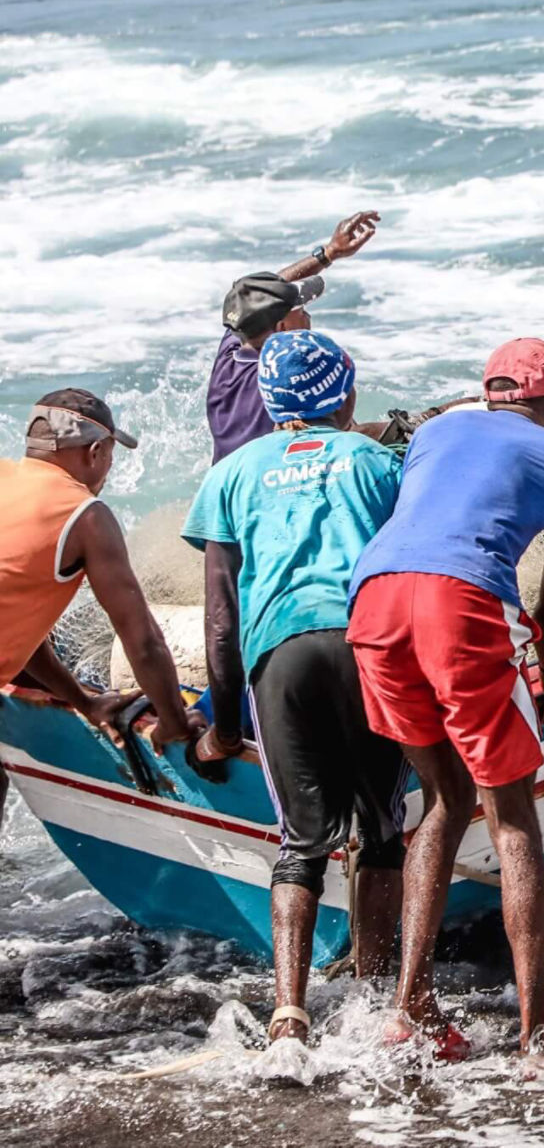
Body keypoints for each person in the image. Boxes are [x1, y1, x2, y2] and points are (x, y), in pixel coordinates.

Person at [346, 337, 544, 1071]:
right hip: (460, 601)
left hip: (374, 600)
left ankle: (410, 1006)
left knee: (444, 795)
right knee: (511, 814)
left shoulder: (436, 429)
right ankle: (536, 1039)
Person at [180, 331, 407, 1049]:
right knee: (380, 831)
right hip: (368, 645)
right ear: (344, 396)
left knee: (301, 843)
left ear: (273, 405)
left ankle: (289, 1013)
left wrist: (221, 720)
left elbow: (222, 618)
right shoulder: (376, 460)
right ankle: (373, 994)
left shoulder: (232, 474)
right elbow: (413, 565)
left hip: (279, 656)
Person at [1, 390, 204, 811]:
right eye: (112, 454)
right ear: (95, 452)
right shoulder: (86, 516)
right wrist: (174, 720)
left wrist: (84, 700)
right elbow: (141, 637)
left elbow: (20, 624)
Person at [208, 211, 380, 462]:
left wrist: (329, 252)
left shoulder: (235, 346)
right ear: (280, 328)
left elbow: (253, 296)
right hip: (268, 492)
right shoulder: (290, 380)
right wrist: (426, 420)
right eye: (302, 311)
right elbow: (350, 436)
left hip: (229, 485)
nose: (308, 317)